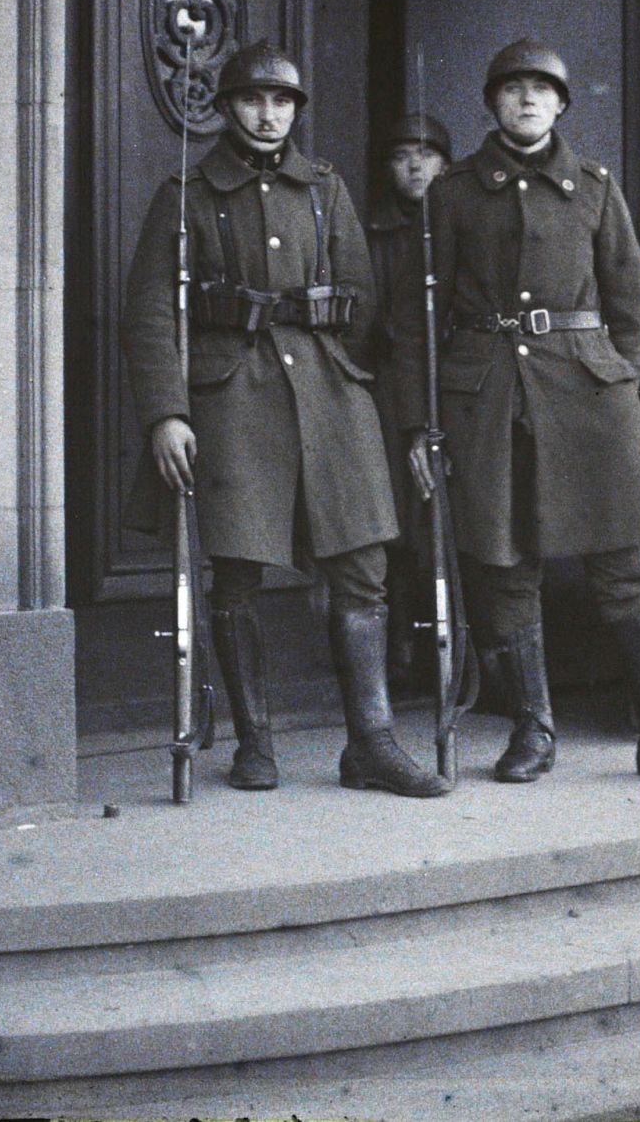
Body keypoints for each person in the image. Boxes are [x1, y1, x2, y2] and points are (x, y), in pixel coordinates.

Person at [395, 37, 640, 788]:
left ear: (561, 105)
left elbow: (632, 297)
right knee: (506, 565)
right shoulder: (452, 193)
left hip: (586, 391)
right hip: (489, 396)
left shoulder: (594, 188)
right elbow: (418, 318)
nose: (527, 99)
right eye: (513, 88)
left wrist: (615, 378)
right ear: (493, 102)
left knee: (623, 565)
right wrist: (421, 421)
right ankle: (533, 727)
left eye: (542, 89)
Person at [122, 41, 449, 799]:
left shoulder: (324, 187)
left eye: (281, 102)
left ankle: (371, 743)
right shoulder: (187, 192)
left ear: (296, 111)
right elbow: (150, 315)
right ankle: (255, 742)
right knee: (237, 570)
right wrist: (167, 412)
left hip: (330, 393)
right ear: (226, 108)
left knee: (363, 566)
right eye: (252, 100)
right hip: (232, 394)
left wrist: (345, 378)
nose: (268, 115)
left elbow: (361, 299)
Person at [358, 114, 455, 692]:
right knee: (399, 521)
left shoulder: (460, 220)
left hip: (460, 385)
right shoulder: (371, 234)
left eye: (427, 154)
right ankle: (401, 649)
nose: (415, 166)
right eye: (401, 156)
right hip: (393, 389)